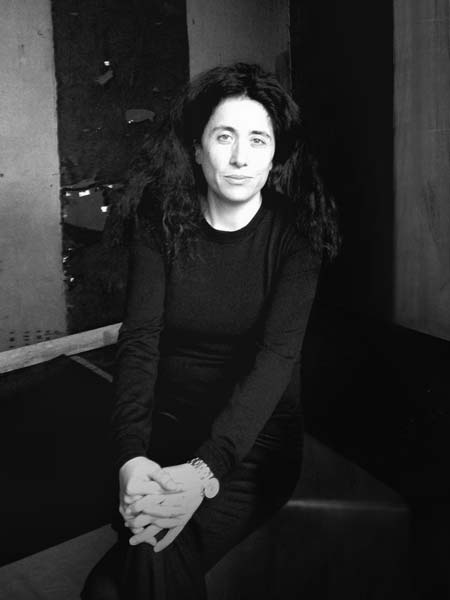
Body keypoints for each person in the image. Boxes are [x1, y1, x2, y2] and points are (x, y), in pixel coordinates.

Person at [82, 62, 339, 600]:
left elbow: (274, 364)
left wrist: (203, 473)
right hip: (168, 430)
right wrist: (131, 457)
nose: (241, 157)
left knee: (135, 564)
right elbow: (140, 341)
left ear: (276, 154)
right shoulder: (161, 219)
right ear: (198, 149)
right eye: (224, 137)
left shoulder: (297, 237)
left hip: (253, 446)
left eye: (258, 139)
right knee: (109, 588)